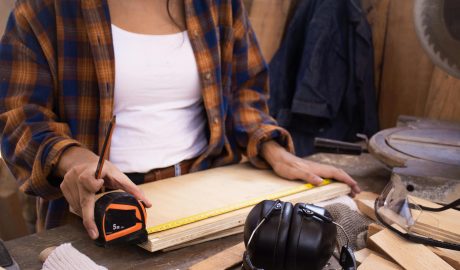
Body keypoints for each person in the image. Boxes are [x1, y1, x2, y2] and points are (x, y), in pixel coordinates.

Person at [0, 0, 360, 240]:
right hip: (102, 208)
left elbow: (244, 90)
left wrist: (271, 147)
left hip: (207, 193)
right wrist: (73, 159)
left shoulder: (217, 4)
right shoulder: (46, 9)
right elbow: (19, 117)